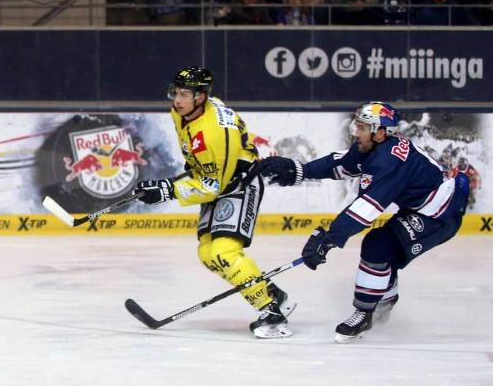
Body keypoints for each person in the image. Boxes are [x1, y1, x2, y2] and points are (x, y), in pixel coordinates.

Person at [260, 103, 470, 342]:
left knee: (377, 245)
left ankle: (365, 312)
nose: (355, 132)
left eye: (361, 127)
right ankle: (385, 298)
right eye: (356, 125)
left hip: (440, 215)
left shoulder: (389, 161)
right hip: (419, 208)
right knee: (382, 248)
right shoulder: (374, 146)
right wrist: (300, 170)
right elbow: (342, 164)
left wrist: (330, 238)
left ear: (380, 132)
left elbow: (368, 207)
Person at [135, 67, 294, 338]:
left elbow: (212, 187)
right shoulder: (182, 111)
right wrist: (194, 166)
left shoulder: (215, 133)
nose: (177, 99)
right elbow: (200, 160)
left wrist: (166, 190)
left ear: (201, 97)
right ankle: (268, 291)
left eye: (185, 94)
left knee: (223, 252)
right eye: (176, 91)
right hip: (217, 175)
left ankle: (271, 313)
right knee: (206, 253)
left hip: (239, 183)